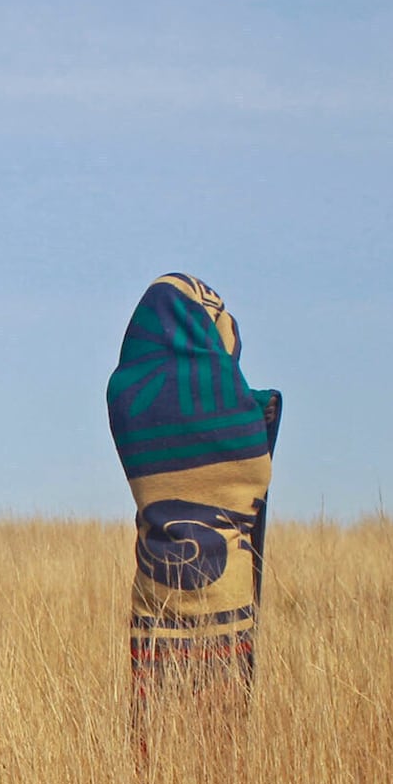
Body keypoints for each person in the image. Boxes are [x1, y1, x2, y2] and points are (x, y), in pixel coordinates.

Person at [106, 275, 283, 749]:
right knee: (218, 748)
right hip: (224, 595)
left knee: (158, 741)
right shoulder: (225, 396)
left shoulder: (126, 394)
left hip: (154, 598)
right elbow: (252, 475)